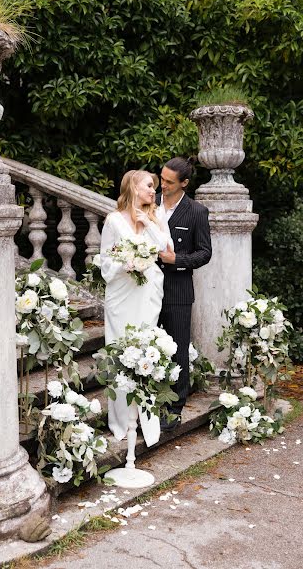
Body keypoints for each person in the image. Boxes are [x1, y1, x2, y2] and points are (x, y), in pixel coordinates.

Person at [100, 170, 173, 446]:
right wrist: (126, 264)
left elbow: (166, 247)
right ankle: (121, 420)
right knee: (120, 351)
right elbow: (106, 262)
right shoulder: (114, 221)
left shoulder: (156, 216)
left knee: (146, 351)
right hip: (121, 294)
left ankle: (146, 420)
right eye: (149, 185)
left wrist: (148, 222)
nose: (153, 190)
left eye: (154, 186)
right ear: (133, 186)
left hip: (147, 294)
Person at [156, 157, 212, 430]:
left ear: (184, 184)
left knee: (178, 349)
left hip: (178, 289)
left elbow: (204, 253)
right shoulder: (148, 202)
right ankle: (149, 400)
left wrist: (176, 260)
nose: (162, 184)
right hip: (146, 288)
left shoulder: (196, 212)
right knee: (148, 346)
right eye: (161, 178)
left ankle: (175, 407)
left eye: (168, 181)